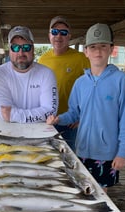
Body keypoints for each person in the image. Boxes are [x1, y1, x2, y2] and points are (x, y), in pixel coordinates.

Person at [46, 23, 125, 192]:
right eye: (93, 47)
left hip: (107, 153)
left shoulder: (120, 80)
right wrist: (59, 119)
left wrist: (122, 152)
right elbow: (74, 113)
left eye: (103, 46)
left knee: (102, 193)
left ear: (111, 49)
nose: (98, 51)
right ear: (86, 51)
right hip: (83, 148)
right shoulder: (80, 83)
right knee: (81, 189)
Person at [38, 16, 90, 151]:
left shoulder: (81, 59)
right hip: (47, 120)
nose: (58, 36)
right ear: (49, 35)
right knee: (47, 153)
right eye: (54, 32)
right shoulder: (43, 59)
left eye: (63, 33)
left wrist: (82, 116)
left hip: (69, 121)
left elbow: (91, 89)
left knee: (68, 154)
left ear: (69, 36)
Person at [0, 26, 58, 123]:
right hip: (9, 133)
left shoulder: (47, 74)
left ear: (33, 49)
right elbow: (4, 114)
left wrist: (14, 116)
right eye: (15, 47)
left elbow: (50, 112)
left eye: (26, 47)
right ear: (9, 50)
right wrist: (39, 115)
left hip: (40, 134)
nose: (21, 52)